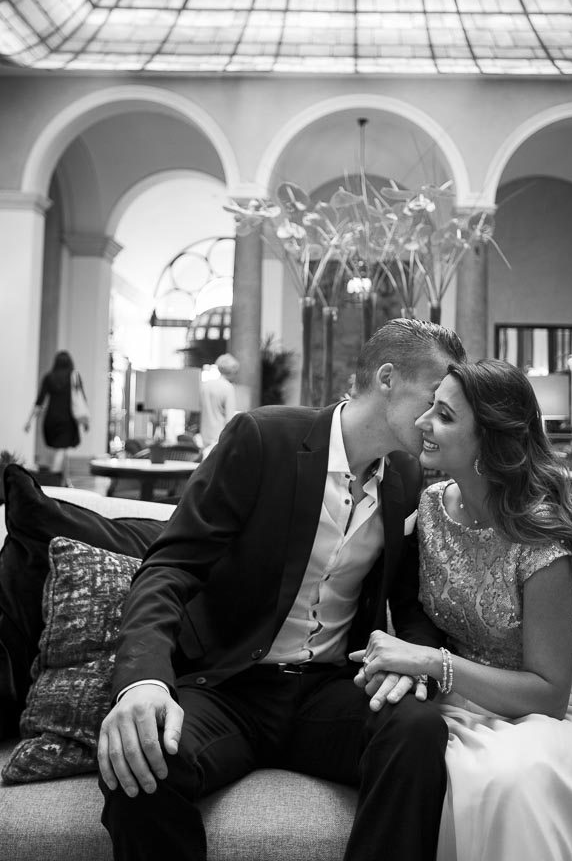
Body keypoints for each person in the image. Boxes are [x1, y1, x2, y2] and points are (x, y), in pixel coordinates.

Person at [97, 318, 467, 861]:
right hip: (229, 688)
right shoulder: (261, 438)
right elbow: (168, 568)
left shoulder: (409, 480)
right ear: (387, 378)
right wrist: (144, 682)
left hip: (328, 692)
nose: (438, 421)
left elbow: (409, 603)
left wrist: (414, 662)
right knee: (142, 756)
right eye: (433, 399)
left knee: (417, 730)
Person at [352, 358, 572, 861]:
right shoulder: (431, 506)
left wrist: (433, 663)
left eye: (445, 416)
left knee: (503, 780)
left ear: (489, 444)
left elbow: (549, 694)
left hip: (550, 703)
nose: (422, 423)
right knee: (418, 754)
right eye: (431, 405)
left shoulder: (542, 537)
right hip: (460, 697)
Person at [24, 349, 88, 484]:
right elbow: (81, 399)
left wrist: (30, 421)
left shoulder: (49, 377)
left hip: (51, 419)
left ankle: (65, 481)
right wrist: (85, 421)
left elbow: (39, 401)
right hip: (67, 420)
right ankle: (53, 482)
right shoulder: (74, 376)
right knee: (61, 450)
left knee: (62, 450)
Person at [198, 353, 240, 456]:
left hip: (205, 437)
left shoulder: (205, 385)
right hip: (219, 438)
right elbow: (229, 419)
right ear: (233, 371)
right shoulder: (228, 388)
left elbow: (200, 410)